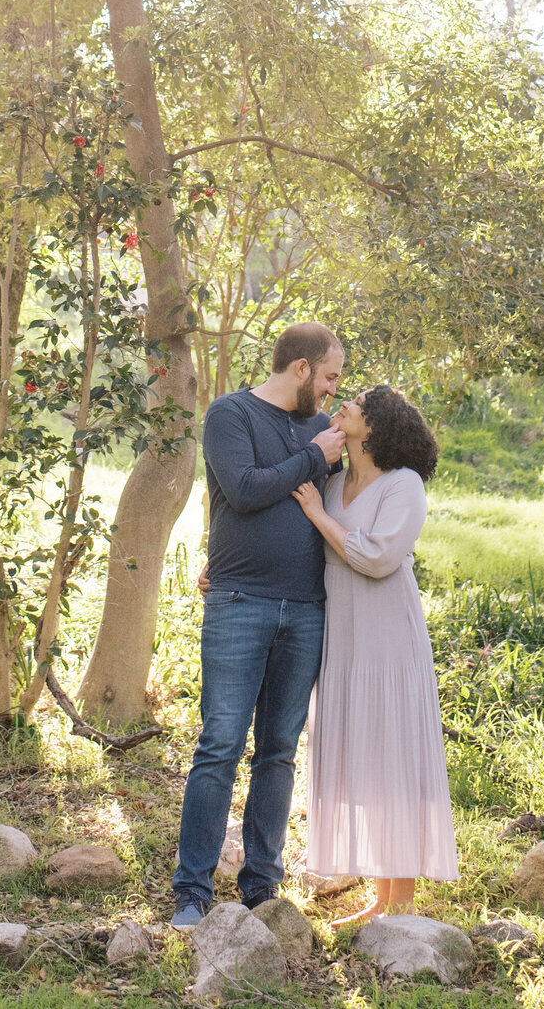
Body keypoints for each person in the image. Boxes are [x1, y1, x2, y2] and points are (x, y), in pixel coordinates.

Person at [170, 322, 346, 928]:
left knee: (278, 751)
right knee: (219, 744)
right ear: (300, 368)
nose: (331, 391)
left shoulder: (325, 429)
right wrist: (312, 457)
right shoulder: (230, 414)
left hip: (307, 607)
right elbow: (242, 490)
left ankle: (261, 888)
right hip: (239, 600)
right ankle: (191, 892)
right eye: (328, 377)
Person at [292, 384, 458, 923]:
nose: (344, 405)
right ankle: (380, 898)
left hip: (387, 640)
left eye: (356, 404)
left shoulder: (402, 485)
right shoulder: (334, 481)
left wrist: (320, 516)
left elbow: (381, 557)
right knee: (365, 760)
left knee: (393, 758)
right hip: (344, 639)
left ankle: (401, 903)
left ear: (376, 425)